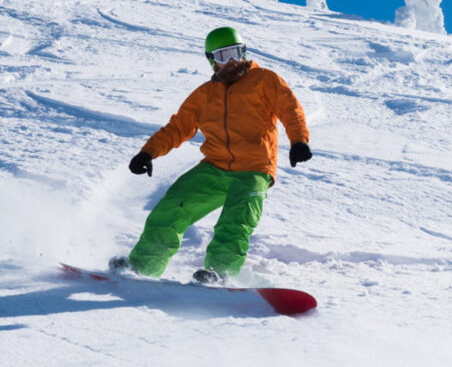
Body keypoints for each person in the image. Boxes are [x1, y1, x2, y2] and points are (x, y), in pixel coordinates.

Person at [116, 26, 312, 283]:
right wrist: (148, 153)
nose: (232, 61)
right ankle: (142, 267)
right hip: (214, 167)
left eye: (236, 52)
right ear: (212, 60)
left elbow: (290, 109)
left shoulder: (265, 80)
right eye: (223, 55)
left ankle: (219, 275)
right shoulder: (203, 95)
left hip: (254, 169)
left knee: (235, 224)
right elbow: (177, 128)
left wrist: (298, 141)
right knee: (171, 208)